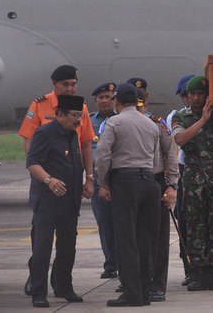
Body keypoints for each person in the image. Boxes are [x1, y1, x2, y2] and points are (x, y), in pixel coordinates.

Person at [18, 65, 95, 295]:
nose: (70, 89)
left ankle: (62, 285)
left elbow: (85, 145)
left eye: (73, 84)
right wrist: (43, 174)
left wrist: (89, 178)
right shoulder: (40, 105)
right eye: (65, 85)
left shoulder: (80, 108)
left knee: (68, 241)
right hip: (45, 180)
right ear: (55, 85)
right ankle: (37, 280)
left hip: (70, 184)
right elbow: (30, 145)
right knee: (41, 239)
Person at [95, 83, 161, 307]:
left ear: (117, 102)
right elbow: (156, 158)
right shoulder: (151, 124)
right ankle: (144, 292)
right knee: (145, 240)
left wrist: (103, 182)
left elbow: (103, 156)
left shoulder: (113, 122)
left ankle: (131, 293)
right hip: (149, 181)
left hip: (124, 181)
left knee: (126, 240)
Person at [171, 76, 213, 291]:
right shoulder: (180, 117)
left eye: (201, 94)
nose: (197, 98)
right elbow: (180, 140)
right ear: (187, 96)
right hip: (193, 179)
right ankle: (197, 273)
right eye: (193, 94)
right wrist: (201, 119)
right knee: (194, 226)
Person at [26, 95, 88, 308]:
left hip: (69, 201)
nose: (78, 120)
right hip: (47, 201)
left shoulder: (72, 133)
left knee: (68, 246)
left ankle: (63, 286)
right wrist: (49, 180)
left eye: (80, 115)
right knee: (42, 247)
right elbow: (32, 163)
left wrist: (86, 181)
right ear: (60, 114)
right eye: (74, 116)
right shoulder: (45, 133)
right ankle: (38, 291)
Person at [136, 90, 179, 302]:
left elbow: (171, 155)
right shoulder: (115, 124)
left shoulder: (158, 124)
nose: (139, 110)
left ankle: (157, 284)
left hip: (155, 180)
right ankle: (134, 281)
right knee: (130, 236)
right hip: (129, 183)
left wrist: (172, 185)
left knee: (159, 238)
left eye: (141, 106)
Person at [166, 74, 194, 285]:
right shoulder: (176, 116)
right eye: (186, 95)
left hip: (205, 171)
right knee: (184, 222)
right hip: (184, 171)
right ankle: (189, 268)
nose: (189, 99)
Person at [88, 82, 118, 280]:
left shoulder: (121, 120)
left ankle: (125, 261)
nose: (105, 100)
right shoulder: (89, 122)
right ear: (96, 101)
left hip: (119, 178)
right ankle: (110, 263)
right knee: (104, 223)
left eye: (108, 96)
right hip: (99, 178)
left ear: (115, 99)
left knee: (123, 222)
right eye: (101, 97)